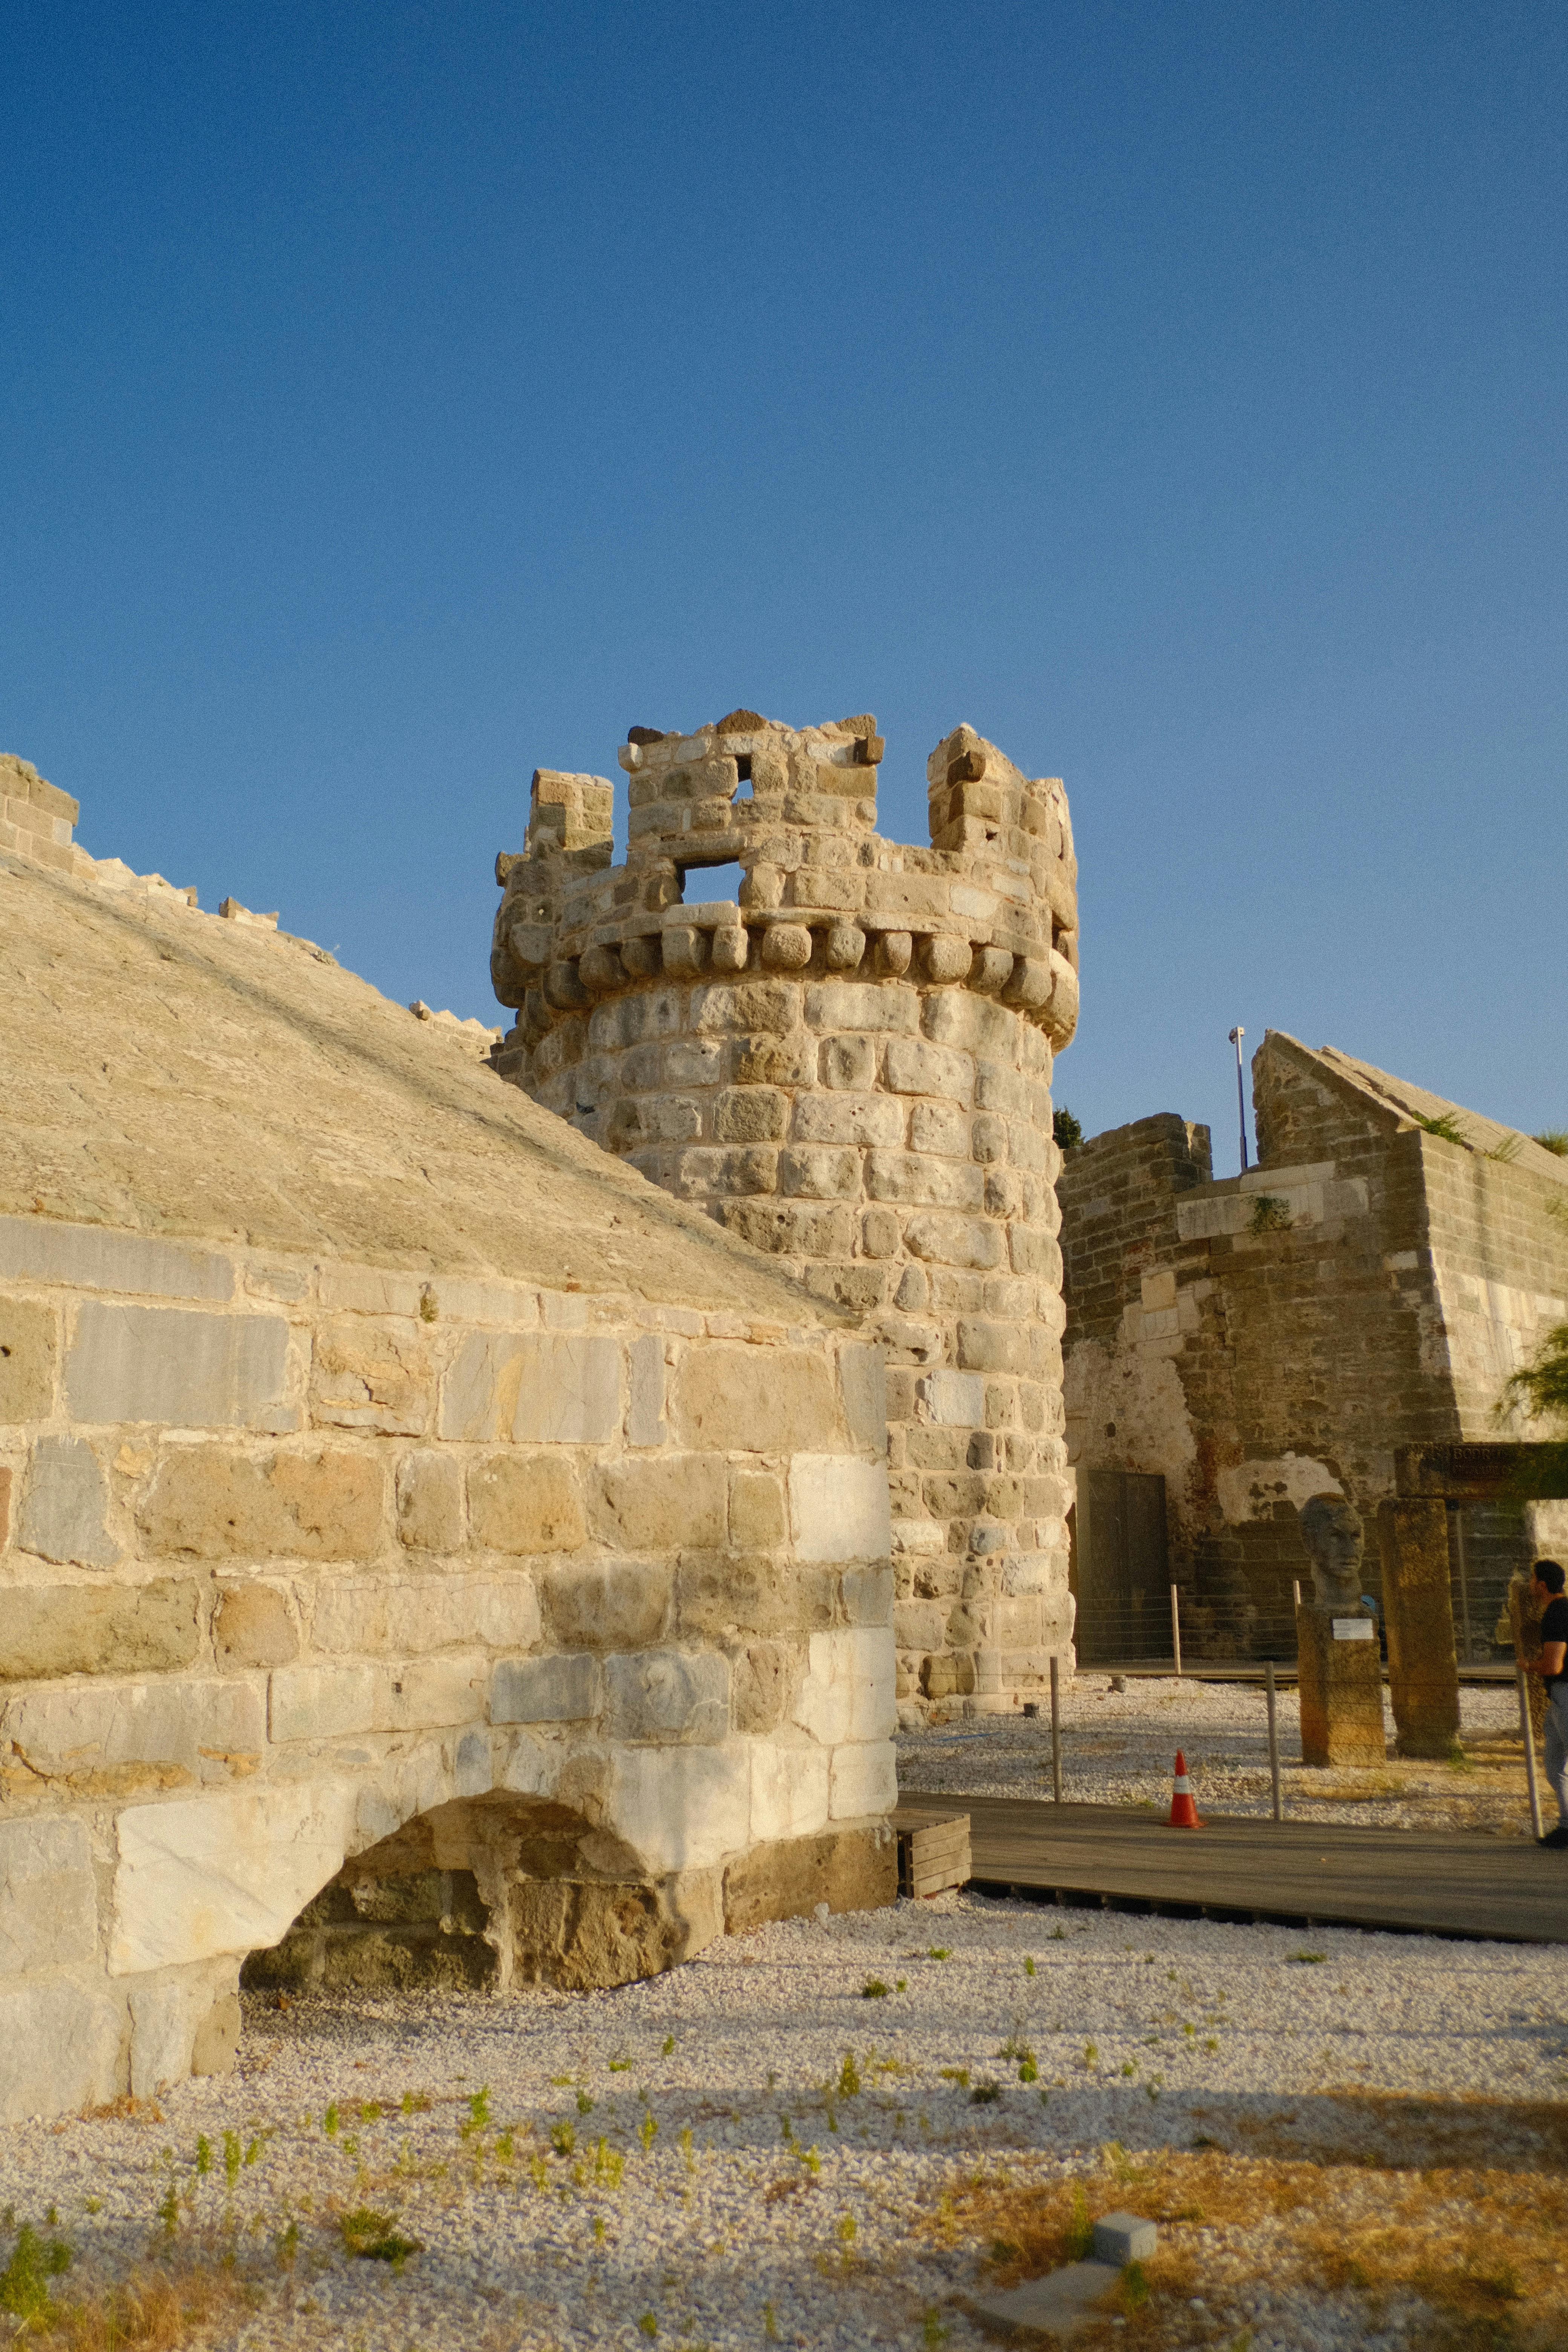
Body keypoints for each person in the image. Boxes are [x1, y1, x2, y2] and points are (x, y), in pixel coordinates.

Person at [1527, 1559, 1568, 1848]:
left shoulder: (1556, 1613)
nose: (1530, 1584)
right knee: (1556, 1764)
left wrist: (1529, 1666)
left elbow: (1553, 1665)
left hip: (1565, 1692)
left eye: (1532, 1579)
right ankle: (1566, 1826)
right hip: (1558, 1698)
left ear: (1542, 1585)